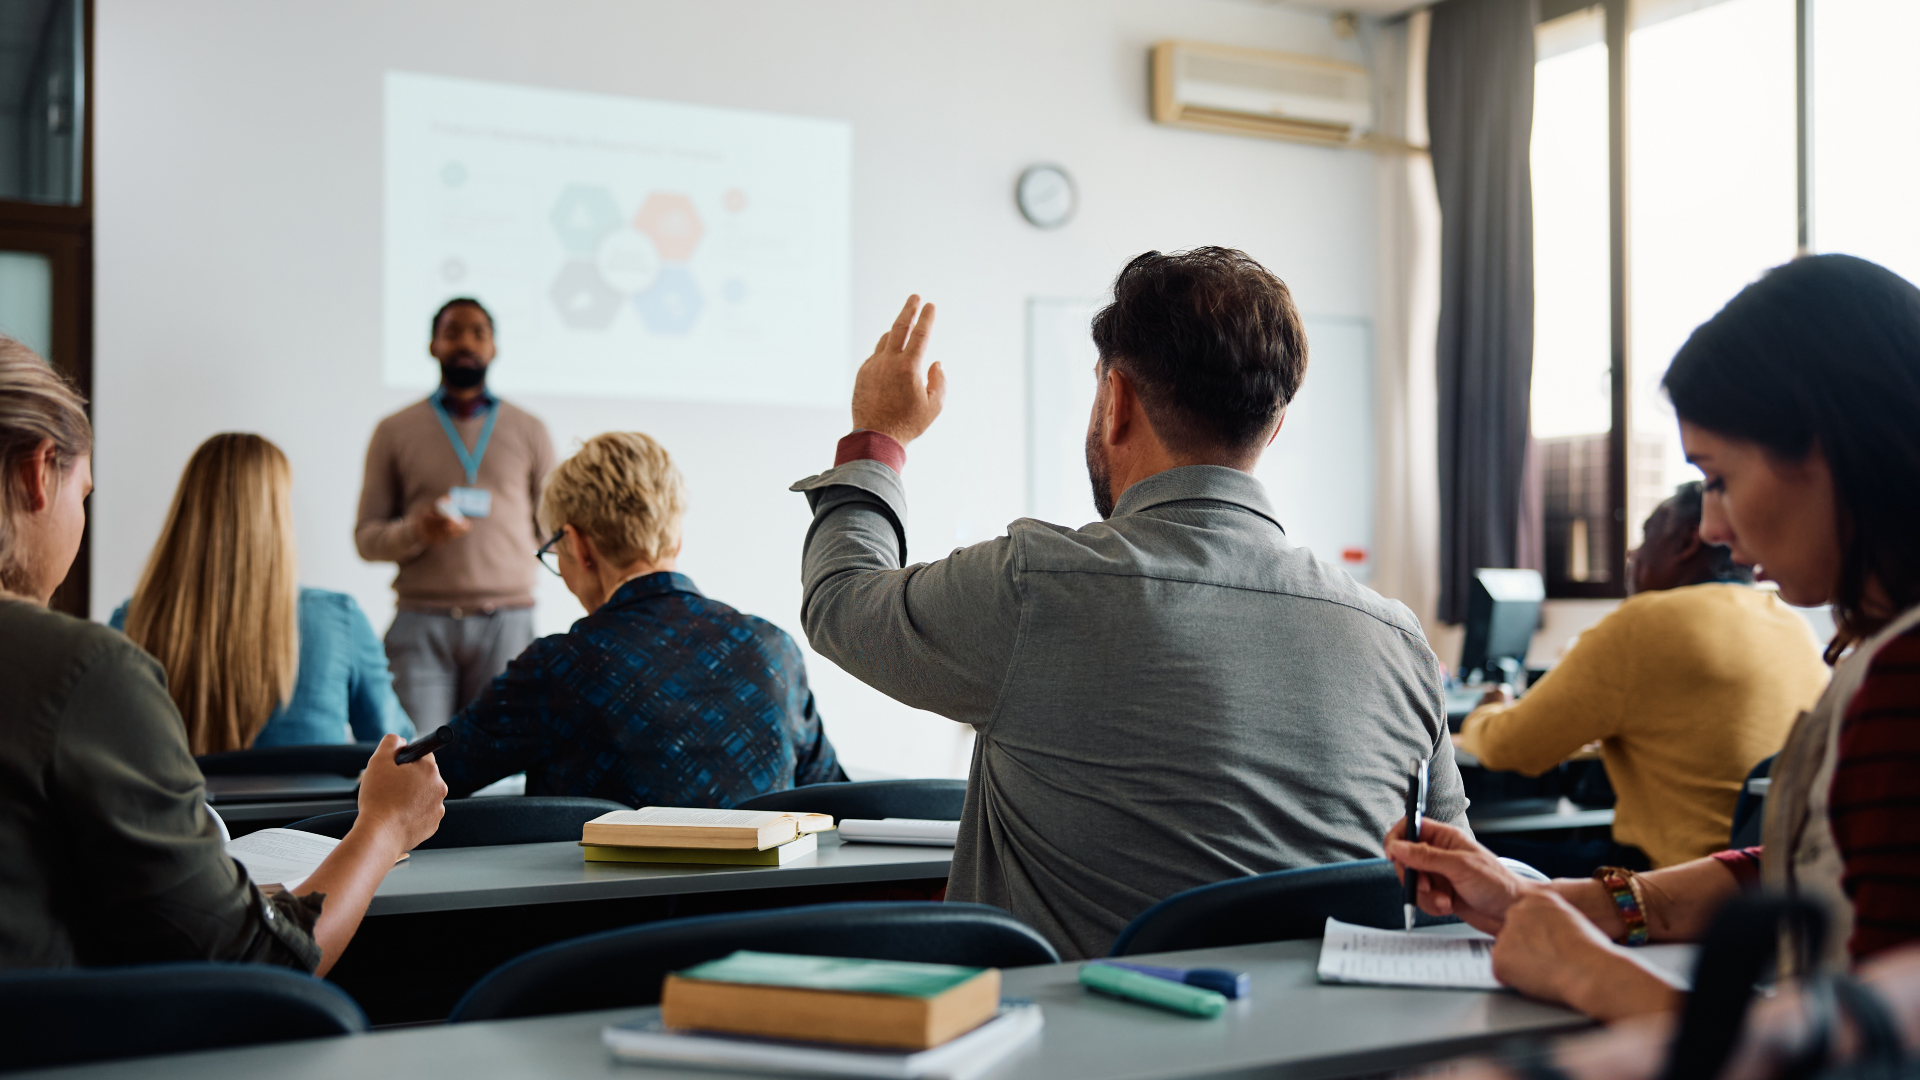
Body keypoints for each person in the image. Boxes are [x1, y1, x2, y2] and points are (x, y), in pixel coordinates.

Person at [790, 248, 1469, 960]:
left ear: (1116, 400)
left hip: (1073, 1029)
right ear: (1273, 426)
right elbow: (1456, 889)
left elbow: (841, 600)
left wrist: (879, 438)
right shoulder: (1400, 644)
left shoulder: (1038, 587)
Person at [1384, 254, 1920, 1021]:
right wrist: (1539, 900)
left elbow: (1874, 1050)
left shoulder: (1904, 676)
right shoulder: (1859, 645)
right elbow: (1802, 869)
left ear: (1830, 447)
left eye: (1719, 478)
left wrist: (1588, 973)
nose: (1713, 527)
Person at [0, 338, 444, 973]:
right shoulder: (85, 669)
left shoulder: (131, 621)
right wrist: (386, 825)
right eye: (85, 494)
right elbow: (254, 960)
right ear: (36, 473)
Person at [432, 431, 845, 806]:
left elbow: (426, 780)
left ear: (577, 545)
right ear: (676, 537)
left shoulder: (556, 668)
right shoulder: (773, 650)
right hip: (759, 872)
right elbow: (834, 798)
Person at [1457, 481, 1828, 873]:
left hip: (1668, 878)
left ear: (1687, 541)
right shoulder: (1793, 625)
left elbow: (1510, 749)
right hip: (1766, 875)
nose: (1633, 553)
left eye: (1647, 535)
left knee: (1467, 844)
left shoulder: (1644, 623)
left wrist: (1486, 711)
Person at [111, 433, 414, 754]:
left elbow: (106, 746)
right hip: (313, 792)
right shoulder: (339, 620)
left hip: (180, 791)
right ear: (277, 515)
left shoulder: (132, 624)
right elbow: (399, 748)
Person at [356, 297, 557, 735]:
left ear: (494, 347)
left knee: (501, 760)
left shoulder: (530, 429)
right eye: (452, 332)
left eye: (478, 333)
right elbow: (366, 539)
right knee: (417, 758)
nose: (466, 342)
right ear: (433, 345)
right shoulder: (394, 430)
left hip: (507, 621)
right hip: (421, 623)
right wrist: (416, 531)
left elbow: (555, 531)